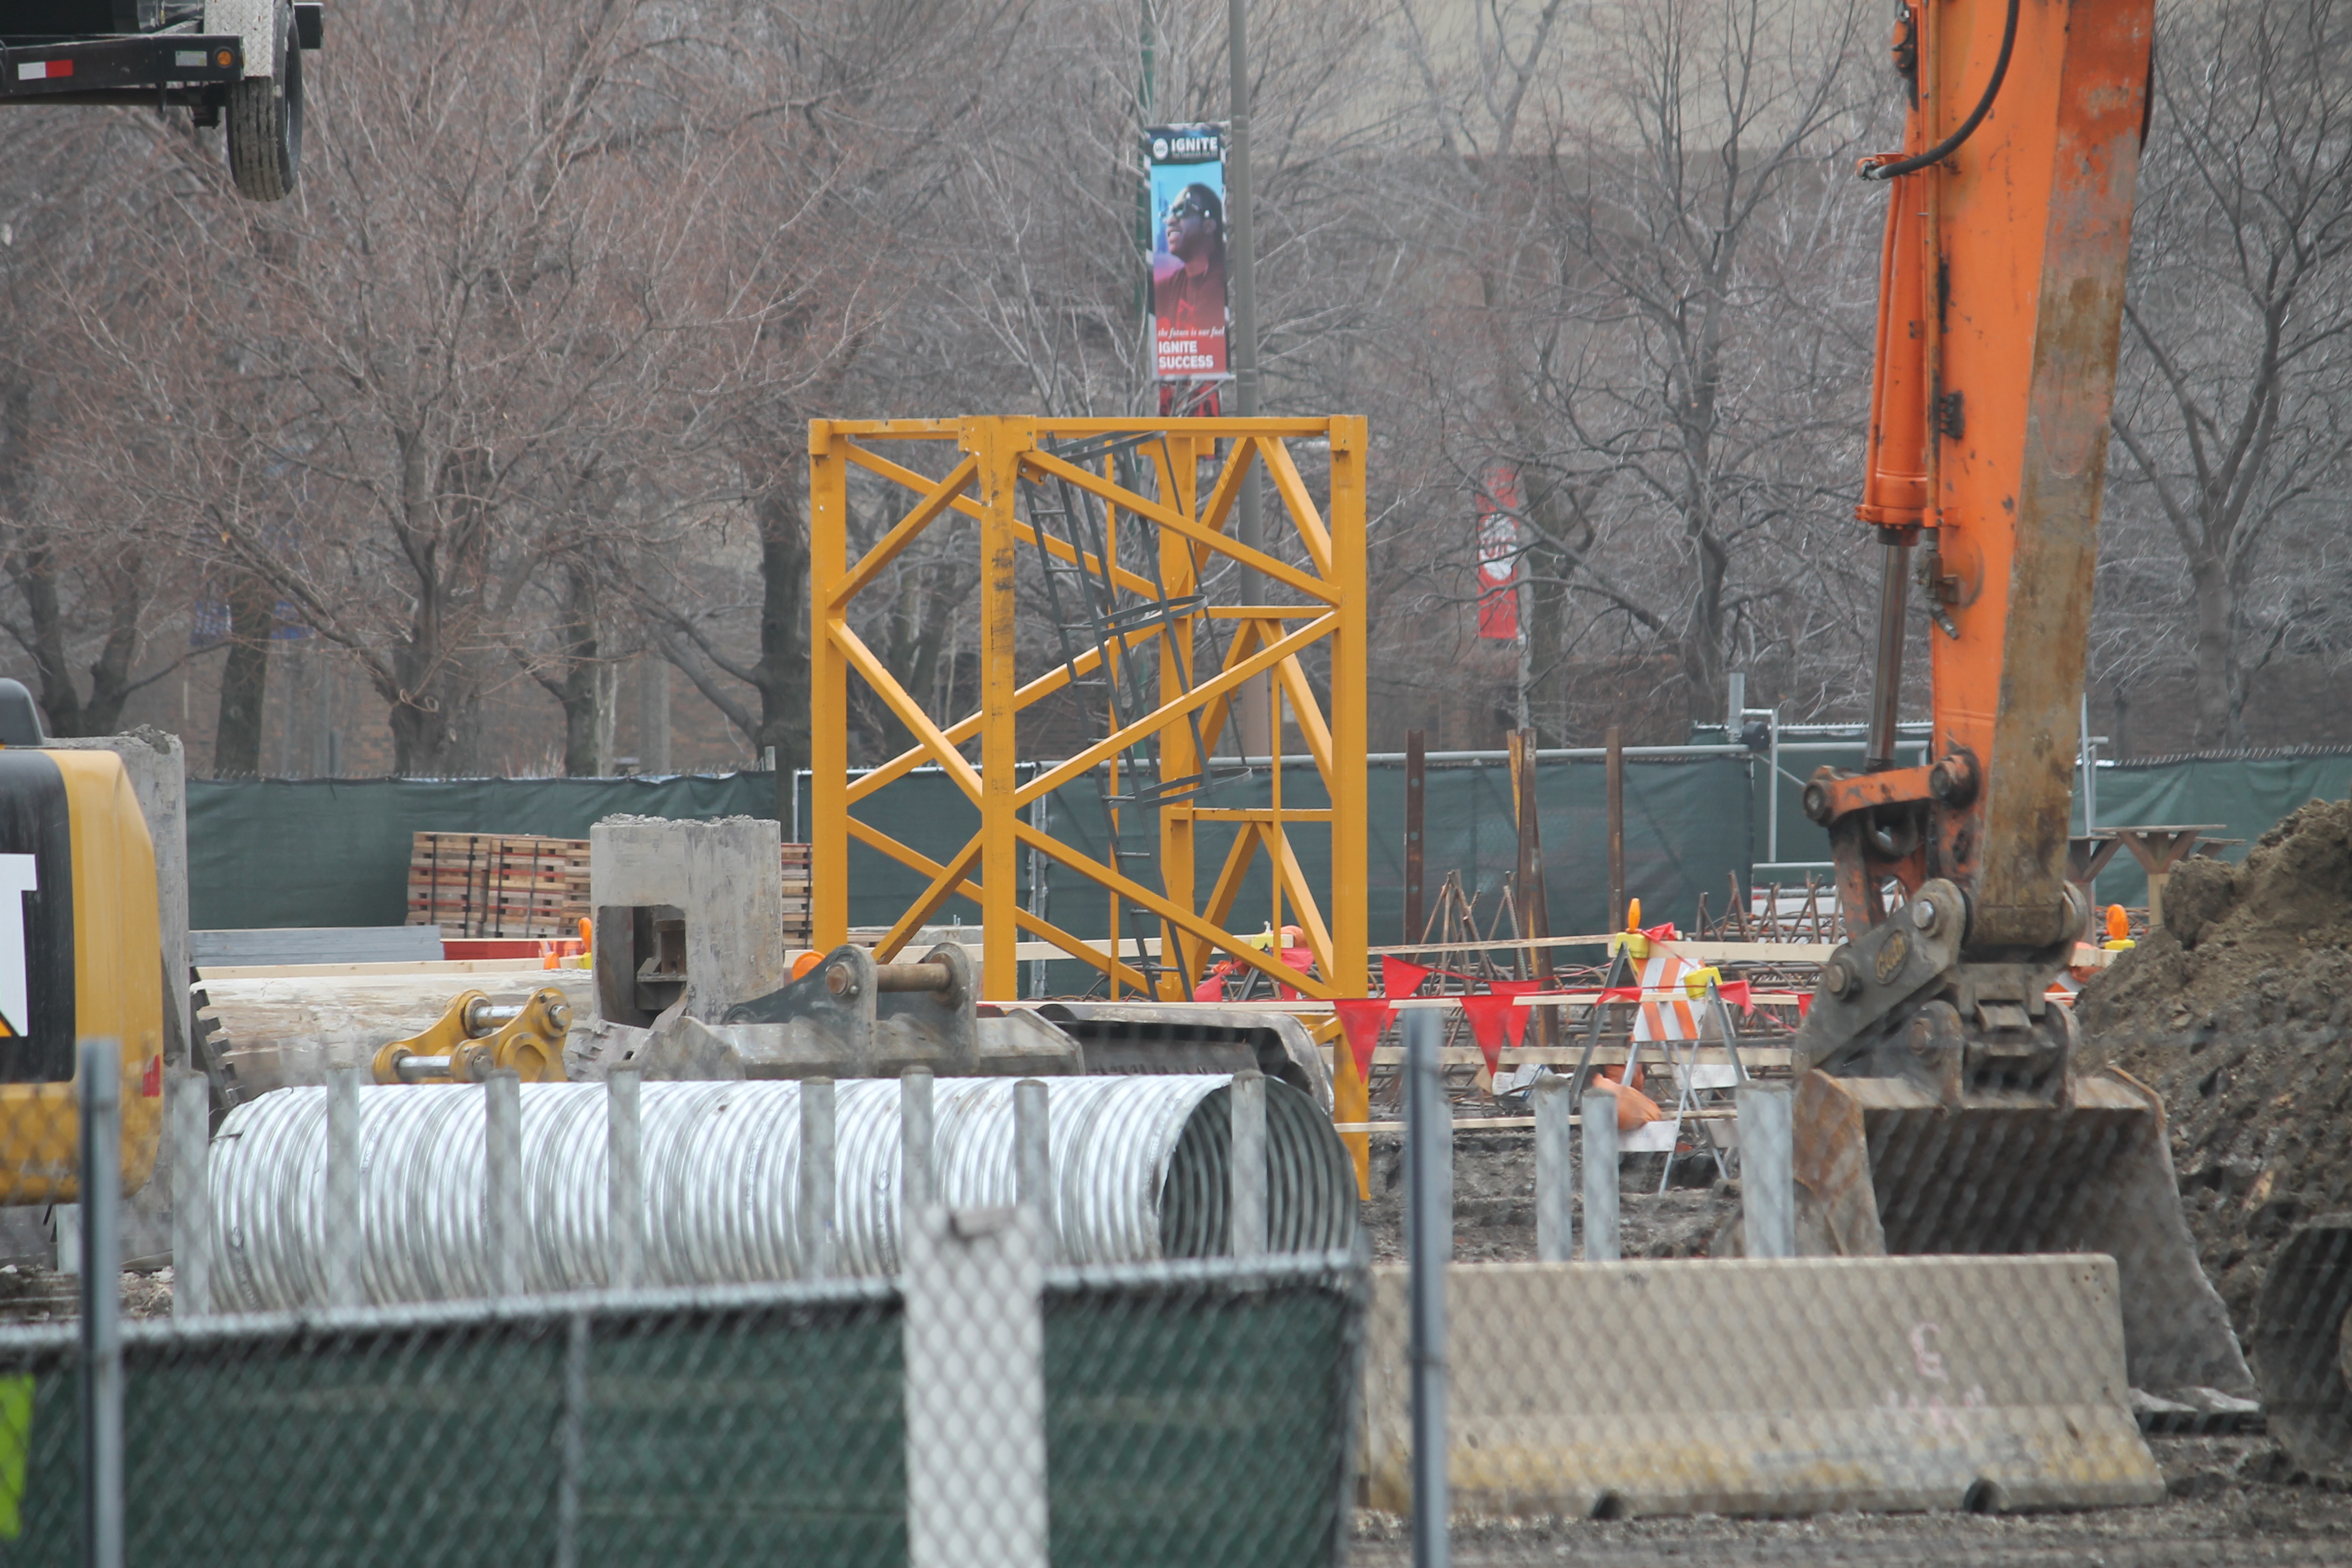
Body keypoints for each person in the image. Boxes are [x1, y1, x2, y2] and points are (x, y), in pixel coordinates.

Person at [1152, 182, 1228, 373]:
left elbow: (1205, 351)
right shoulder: (1175, 282)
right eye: (1169, 213)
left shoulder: (1219, 284)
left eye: (1182, 211)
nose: (1170, 221)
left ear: (1209, 225)